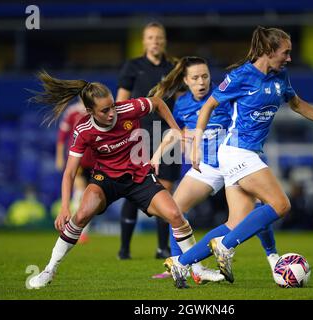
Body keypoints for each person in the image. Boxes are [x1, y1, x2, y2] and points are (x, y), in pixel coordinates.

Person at [164, 26, 313, 286]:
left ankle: (180, 263)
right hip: (237, 151)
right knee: (281, 204)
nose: (288, 58)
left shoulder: (280, 77)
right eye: (285, 52)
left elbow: (296, 103)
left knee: (236, 223)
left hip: (246, 154)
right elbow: (209, 105)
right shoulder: (241, 76)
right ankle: (228, 247)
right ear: (268, 50)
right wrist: (196, 141)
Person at [27, 71, 197, 289]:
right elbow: (70, 172)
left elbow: (157, 102)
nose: (111, 113)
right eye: (105, 110)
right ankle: (49, 270)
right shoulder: (84, 130)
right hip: (105, 179)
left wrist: (175, 128)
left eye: (112, 106)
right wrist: (64, 207)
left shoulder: (127, 108)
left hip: (139, 176)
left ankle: (196, 269)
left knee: (175, 215)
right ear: (90, 112)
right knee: (81, 215)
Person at [150, 56, 279, 286]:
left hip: (233, 161)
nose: (202, 82)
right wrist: (156, 156)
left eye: (205, 76)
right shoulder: (182, 105)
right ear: (186, 81)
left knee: (260, 207)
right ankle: (184, 265)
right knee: (174, 210)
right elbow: (177, 132)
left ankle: (272, 256)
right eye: (196, 78)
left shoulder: (223, 94)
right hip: (207, 166)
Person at [116, 21, 181, 260]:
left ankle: (162, 248)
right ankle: (124, 249)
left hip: (167, 135)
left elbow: (182, 100)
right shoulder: (132, 66)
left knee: (164, 189)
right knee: (134, 189)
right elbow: (120, 102)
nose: (155, 41)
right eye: (151, 38)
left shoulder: (175, 68)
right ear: (144, 41)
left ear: (164, 41)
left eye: (159, 38)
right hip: (138, 133)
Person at [56, 99, 96, 243]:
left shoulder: (98, 109)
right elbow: (62, 135)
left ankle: (83, 232)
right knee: (79, 193)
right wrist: (60, 157)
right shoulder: (72, 111)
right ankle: (72, 229)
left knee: (90, 197)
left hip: (96, 160)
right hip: (78, 159)